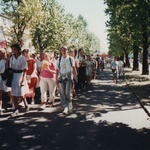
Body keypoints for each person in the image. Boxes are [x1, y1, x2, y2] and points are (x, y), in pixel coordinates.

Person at [55, 46, 77, 114]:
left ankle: (70, 102)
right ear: (61, 51)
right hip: (61, 76)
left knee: (67, 93)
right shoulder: (59, 59)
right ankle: (65, 107)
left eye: (65, 50)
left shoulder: (71, 58)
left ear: (67, 51)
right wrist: (56, 79)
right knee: (62, 93)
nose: (64, 52)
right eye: (62, 50)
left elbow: (74, 68)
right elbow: (57, 69)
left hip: (68, 76)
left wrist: (76, 76)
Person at [9, 43, 29, 117]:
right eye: (12, 49)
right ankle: (16, 109)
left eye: (15, 49)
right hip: (14, 76)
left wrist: (23, 80)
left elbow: (24, 70)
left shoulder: (22, 58)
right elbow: (11, 67)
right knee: (14, 93)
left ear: (18, 49)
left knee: (21, 93)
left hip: (20, 76)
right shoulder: (11, 58)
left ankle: (25, 103)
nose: (13, 50)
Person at [0, 49, 5, 115]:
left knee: (0, 94)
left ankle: (0, 108)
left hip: (0, 78)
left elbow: (2, 70)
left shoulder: (2, 61)